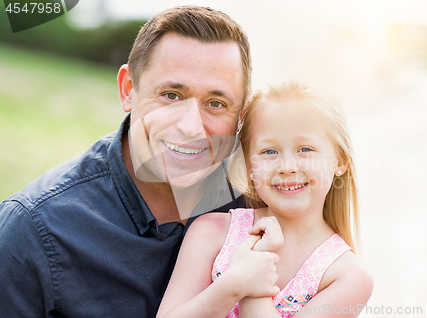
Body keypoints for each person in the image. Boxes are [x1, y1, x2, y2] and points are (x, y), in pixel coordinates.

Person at [0, 6, 278, 317]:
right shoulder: (33, 231)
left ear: (241, 116)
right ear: (128, 89)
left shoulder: (263, 206)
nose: (191, 127)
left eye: (216, 103)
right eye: (171, 95)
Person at [157, 79, 374, 318]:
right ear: (249, 165)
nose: (287, 167)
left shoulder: (347, 276)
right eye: (269, 151)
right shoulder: (211, 232)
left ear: (340, 161)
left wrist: (254, 284)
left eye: (305, 149)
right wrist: (234, 284)